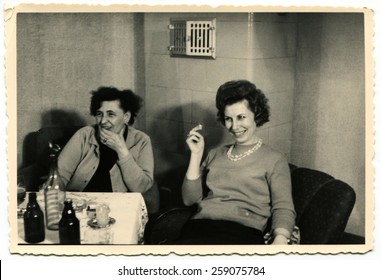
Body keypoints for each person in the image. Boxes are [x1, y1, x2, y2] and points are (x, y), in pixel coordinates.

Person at [176, 80, 295, 245]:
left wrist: (280, 239)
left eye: (241, 117)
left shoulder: (275, 159)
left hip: (242, 233)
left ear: (256, 114)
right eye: (228, 119)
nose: (234, 126)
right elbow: (189, 200)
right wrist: (196, 155)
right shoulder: (214, 153)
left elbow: (283, 207)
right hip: (199, 227)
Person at [58, 86, 154, 194]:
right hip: (81, 202)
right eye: (99, 114)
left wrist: (122, 151)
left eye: (111, 114)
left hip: (119, 206)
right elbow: (60, 175)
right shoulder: (84, 135)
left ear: (126, 117)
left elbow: (141, 187)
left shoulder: (141, 140)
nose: (103, 121)